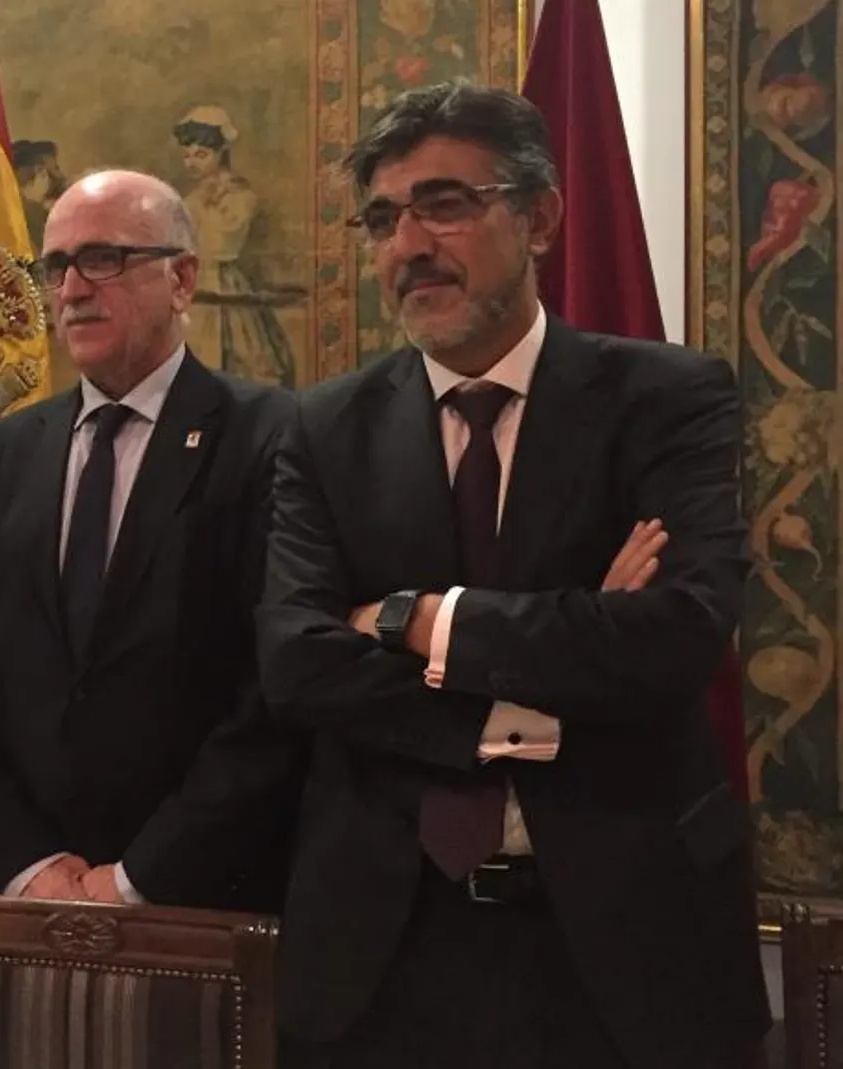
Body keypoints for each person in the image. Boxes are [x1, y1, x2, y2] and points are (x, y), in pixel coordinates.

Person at [256, 82, 769, 1069]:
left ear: (537, 218)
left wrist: (412, 621)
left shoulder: (664, 397)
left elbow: (677, 633)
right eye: (381, 218)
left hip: (629, 942)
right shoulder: (323, 428)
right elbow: (296, 660)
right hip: (383, 946)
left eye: (443, 203)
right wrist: (550, 680)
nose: (407, 244)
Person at [0, 169, 303, 911]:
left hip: (206, 895)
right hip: (30, 893)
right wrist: (25, 862)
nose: (71, 290)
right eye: (57, 266)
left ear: (183, 278)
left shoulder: (272, 437)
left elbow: (275, 688)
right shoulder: (3, 454)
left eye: (103, 259)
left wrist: (137, 878)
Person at [173, 106, 298, 386]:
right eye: (187, 156)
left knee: (241, 360)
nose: (192, 163)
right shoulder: (191, 199)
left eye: (201, 155)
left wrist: (207, 209)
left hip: (225, 284)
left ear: (221, 154)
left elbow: (224, 246)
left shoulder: (239, 196)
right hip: (194, 285)